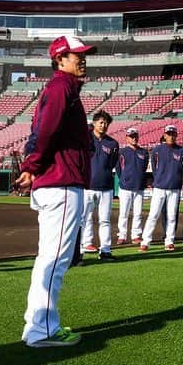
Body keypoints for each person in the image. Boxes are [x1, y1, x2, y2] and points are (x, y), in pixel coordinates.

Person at [17, 35, 95, 347]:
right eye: (77, 54)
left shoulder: (62, 88)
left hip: (58, 182)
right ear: (60, 59)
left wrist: (31, 166)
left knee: (49, 259)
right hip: (60, 183)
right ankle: (42, 330)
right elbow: (45, 131)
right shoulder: (62, 87)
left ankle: (37, 326)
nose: (83, 59)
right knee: (54, 261)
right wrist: (32, 165)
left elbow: (41, 131)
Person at [81, 110, 119, 261]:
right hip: (87, 186)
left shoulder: (113, 143)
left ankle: (105, 251)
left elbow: (112, 164)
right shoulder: (85, 139)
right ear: (94, 123)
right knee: (83, 219)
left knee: (105, 220)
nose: (103, 125)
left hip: (106, 188)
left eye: (106, 123)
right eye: (101, 122)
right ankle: (81, 248)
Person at [142, 125, 183, 251]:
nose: (171, 136)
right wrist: (159, 180)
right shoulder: (157, 150)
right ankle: (146, 241)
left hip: (175, 188)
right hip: (160, 188)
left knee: (172, 216)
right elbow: (155, 168)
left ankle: (169, 241)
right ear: (165, 135)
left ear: (176, 135)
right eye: (169, 134)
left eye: (173, 134)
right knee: (153, 214)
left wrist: (179, 181)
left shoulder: (181, 151)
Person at [116, 128, 149, 245]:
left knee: (138, 213)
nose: (134, 138)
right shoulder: (122, 152)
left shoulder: (144, 152)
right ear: (127, 138)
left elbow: (144, 168)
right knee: (123, 213)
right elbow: (119, 169)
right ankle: (122, 235)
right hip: (125, 187)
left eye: (135, 136)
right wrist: (124, 179)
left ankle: (135, 235)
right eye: (131, 136)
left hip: (139, 187)